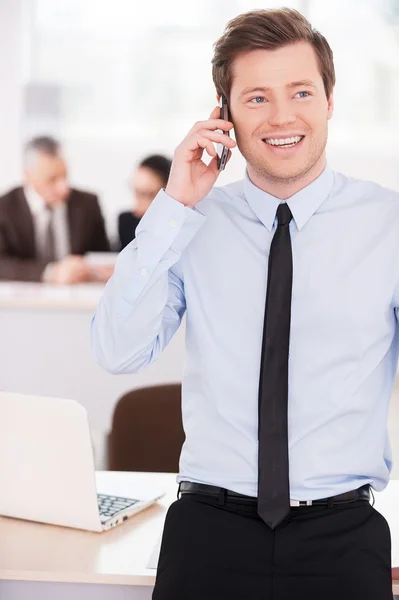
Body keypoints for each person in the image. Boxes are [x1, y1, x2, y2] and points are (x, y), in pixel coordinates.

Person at [91, 8, 397, 600]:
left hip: (344, 536)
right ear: (223, 113)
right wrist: (173, 203)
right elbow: (116, 350)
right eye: (256, 98)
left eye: (301, 91)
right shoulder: (187, 221)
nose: (282, 116)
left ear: (330, 99)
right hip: (208, 532)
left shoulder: (390, 225)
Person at [0, 136, 111, 283]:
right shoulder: (5, 208)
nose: (63, 188)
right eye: (52, 179)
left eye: (64, 176)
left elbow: (102, 256)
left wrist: (90, 270)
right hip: (25, 300)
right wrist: (51, 273)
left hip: (79, 296)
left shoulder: (87, 204)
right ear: (28, 176)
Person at [118, 154, 172, 250]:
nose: (138, 200)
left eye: (147, 193)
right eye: (136, 191)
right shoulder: (126, 220)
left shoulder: (175, 223)